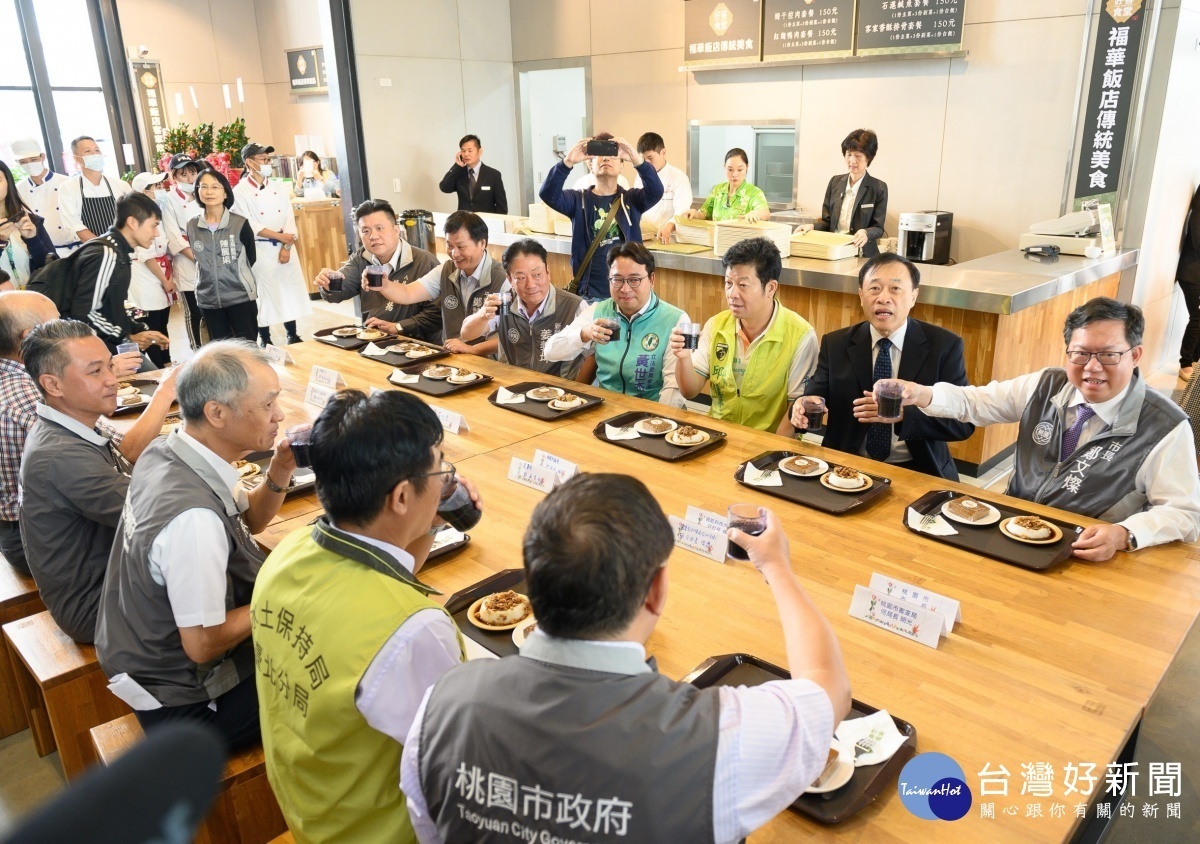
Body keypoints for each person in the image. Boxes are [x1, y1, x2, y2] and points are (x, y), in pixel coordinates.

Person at [400, 474, 851, 843]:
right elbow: (828, 686)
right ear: (656, 591)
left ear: (531, 584)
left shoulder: (439, 705)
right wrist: (777, 567)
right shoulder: (718, 737)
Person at [254, 389, 481, 841]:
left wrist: (429, 517)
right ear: (400, 496)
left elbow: (386, 571)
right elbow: (460, 772)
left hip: (314, 810)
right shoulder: (414, 631)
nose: (445, 480)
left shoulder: (293, 550)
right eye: (440, 468)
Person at [95, 340, 296, 751]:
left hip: (145, 659)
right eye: (268, 404)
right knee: (339, 666)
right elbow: (203, 645)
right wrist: (290, 600)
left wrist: (280, 467)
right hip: (186, 706)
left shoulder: (167, 449)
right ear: (216, 413)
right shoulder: (194, 521)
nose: (279, 415)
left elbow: (252, 520)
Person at [893, 297, 1200, 560]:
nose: (1092, 367)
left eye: (1108, 354)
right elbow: (976, 402)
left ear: (1134, 355)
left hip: (1086, 550)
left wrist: (1125, 534)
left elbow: (1185, 513)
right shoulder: (1047, 384)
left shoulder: (1164, 426)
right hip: (1010, 530)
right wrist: (922, 394)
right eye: (1080, 353)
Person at [19, 320, 177, 643]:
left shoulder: (71, 421)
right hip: (97, 606)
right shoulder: (61, 456)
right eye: (95, 372)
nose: (112, 380)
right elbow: (157, 516)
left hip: (115, 572)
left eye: (109, 366)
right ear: (53, 384)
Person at [788, 253, 974, 479]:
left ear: (914, 296)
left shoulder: (945, 346)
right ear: (860, 295)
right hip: (846, 466)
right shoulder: (835, 343)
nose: (883, 298)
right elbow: (814, 396)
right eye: (874, 288)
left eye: (895, 289)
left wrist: (904, 415)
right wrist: (800, 408)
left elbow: (962, 424)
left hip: (918, 469)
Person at [671, 237, 817, 435]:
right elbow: (690, 391)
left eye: (743, 285)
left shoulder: (801, 335)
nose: (732, 293)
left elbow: (795, 412)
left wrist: (766, 454)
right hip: (716, 436)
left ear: (771, 288)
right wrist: (683, 358)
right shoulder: (717, 325)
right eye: (728, 283)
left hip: (767, 442)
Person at [544, 242, 690, 406]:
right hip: (605, 409)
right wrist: (584, 333)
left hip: (651, 413)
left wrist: (656, 422)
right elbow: (550, 351)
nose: (625, 289)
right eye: (617, 280)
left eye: (634, 280)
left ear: (651, 279)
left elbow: (673, 389)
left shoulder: (675, 320)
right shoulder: (598, 311)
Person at [539, 133, 664, 302]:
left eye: (612, 155)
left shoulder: (631, 200)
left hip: (628, 294)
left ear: (622, 166)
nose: (606, 158)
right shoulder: (577, 200)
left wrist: (636, 160)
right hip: (590, 295)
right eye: (600, 155)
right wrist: (567, 162)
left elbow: (656, 191)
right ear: (590, 165)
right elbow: (548, 194)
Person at [374, 211, 505, 355]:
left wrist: (473, 349)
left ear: (482, 243)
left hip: (489, 363)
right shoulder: (446, 270)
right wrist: (384, 285)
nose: (454, 254)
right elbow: (408, 293)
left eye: (461, 247)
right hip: (452, 356)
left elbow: (510, 336)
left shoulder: (502, 279)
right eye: (449, 246)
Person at [314, 199, 441, 342]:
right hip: (374, 339)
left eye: (379, 228)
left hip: (417, 343)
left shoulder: (424, 261)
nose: (373, 236)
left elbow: (437, 314)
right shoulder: (361, 259)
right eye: (366, 231)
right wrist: (328, 284)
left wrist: (398, 326)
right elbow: (339, 292)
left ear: (396, 229)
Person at [460, 238, 588, 379]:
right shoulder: (505, 302)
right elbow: (467, 334)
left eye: (537, 275)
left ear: (548, 271)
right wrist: (482, 315)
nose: (531, 284)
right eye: (520, 278)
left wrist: (577, 388)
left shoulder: (573, 305)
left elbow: (591, 355)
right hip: (511, 388)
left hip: (557, 391)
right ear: (509, 279)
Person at [0, 290, 61, 573]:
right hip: (36, 540)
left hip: (16, 531)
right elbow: (120, 449)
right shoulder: (24, 395)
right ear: (28, 338)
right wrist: (165, 391)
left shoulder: (14, 377)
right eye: (58, 326)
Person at [71, 193, 171, 357]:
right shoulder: (106, 253)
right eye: (153, 225)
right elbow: (84, 313)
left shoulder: (119, 252)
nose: (156, 234)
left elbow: (113, 308)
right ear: (132, 222)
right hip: (90, 347)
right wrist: (126, 336)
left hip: (107, 341)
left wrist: (140, 330)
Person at [232, 142, 311, 346]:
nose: (268, 163)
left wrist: (286, 244)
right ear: (249, 162)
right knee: (264, 295)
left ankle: (292, 333)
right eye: (263, 159)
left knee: (288, 290)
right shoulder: (240, 191)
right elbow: (248, 222)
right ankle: (265, 338)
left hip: (285, 245)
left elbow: (289, 218)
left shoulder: (278, 187)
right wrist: (278, 237)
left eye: (269, 160)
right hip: (261, 248)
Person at [187, 168, 259, 343]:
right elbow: (198, 259)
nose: (209, 192)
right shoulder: (192, 225)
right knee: (220, 353)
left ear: (225, 193)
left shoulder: (240, 223)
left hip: (239, 296)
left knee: (246, 349)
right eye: (203, 187)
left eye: (215, 187)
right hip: (208, 298)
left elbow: (250, 257)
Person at [801, 129, 888, 259]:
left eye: (858, 156)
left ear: (868, 158)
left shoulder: (879, 187)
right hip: (835, 252)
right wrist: (812, 226)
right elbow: (827, 222)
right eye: (848, 154)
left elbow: (878, 228)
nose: (852, 161)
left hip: (862, 254)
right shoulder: (835, 182)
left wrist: (866, 232)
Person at [128, 172, 174, 367]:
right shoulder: (137, 218)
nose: (160, 189)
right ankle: (157, 367)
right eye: (155, 186)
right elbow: (147, 257)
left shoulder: (156, 214)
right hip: (147, 277)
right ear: (144, 192)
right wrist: (164, 280)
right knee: (152, 324)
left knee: (163, 322)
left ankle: (167, 362)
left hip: (161, 274)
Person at [160, 154, 205, 350]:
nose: (190, 178)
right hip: (187, 261)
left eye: (193, 173)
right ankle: (197, 349)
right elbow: (173, 237)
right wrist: (198, 259)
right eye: (183, 174)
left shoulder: (205, 194)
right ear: (174, 177)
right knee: (194, 310)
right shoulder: (168, 200)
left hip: (210, 258)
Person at [57, 136, 131, 244]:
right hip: (92, 253)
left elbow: (132, 219)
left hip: (124, 247)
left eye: (97, 150)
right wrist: (107, 247)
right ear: (77, 159)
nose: (94, 154)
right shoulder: (68, 188)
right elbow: (75, 227)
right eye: (88, 151)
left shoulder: (121, 185)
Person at [10, 137, 76, 257]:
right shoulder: (18, 190)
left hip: (74, 247)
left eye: (33, 159)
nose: (29, 164)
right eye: (23, 162)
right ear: (18, 163)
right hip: (45, 251)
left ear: (43, 157)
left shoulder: (66, 182)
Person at [1, 161, 57, 289]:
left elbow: (53, 268)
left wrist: (33, 240)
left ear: (8, 183)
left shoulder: (30, 221)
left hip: (35, 300)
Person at [633, 132, 694, 244]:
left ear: (663, 152)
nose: (647, 163)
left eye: (650, 157)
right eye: (643, 159)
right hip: (645, 237)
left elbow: (682, 209)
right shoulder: (639, 177)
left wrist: (670, 224)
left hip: (670, 238)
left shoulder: (678, 176)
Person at [684, 148, 770, 224]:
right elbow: (705, 214)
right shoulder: (718, 190)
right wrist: (695, 214)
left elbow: (765, 213)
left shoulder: (754, 192)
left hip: (741, 241)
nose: (734, 174)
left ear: (747, 167)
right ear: (725, 167)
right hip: (716, 239)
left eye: (740, 170)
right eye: (730, 169)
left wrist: (755, 213)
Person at [438, 135, 507, 214]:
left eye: (470, 151)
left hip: (486, 222)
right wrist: (456, 166)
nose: (466, 154)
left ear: (479, 151)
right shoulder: (458, 173)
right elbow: (444, 188)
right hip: (464, 222)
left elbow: (502, 207)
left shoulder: (493, 175)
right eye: (463, 151)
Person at [1175, 184, 1200, 382]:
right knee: (1197, 317)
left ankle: (1195, 359)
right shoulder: (1198, 213)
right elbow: (1197, 241)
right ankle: (1185, 363)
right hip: (1191, 273)